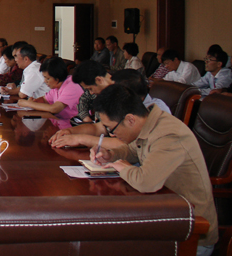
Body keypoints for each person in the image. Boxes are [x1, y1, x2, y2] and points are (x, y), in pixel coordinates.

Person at [90, 84, 218, 253]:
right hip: (165, 213)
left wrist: (123, 168)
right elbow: (133, 150)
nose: (111, 134)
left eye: (111, 128)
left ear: (130, 119)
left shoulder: (169, 135)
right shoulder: (149, 124)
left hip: (190, 232)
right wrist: (111, 155)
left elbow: (146, 182)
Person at [50, 62, 171, 149]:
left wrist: (81, 139)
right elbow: (99, 128)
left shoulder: (155, 110)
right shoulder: (122, 104)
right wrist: (70, 132)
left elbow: (129, 145)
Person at [16, 57, 82, 124]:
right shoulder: (56, 86)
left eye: (47, 78)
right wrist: (34, 101)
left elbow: (54, 109)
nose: (45, 81)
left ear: (57, 78)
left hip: (74, 125)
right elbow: (45, 99)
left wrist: (29, 104)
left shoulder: (71, 86)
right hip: (60, 122)